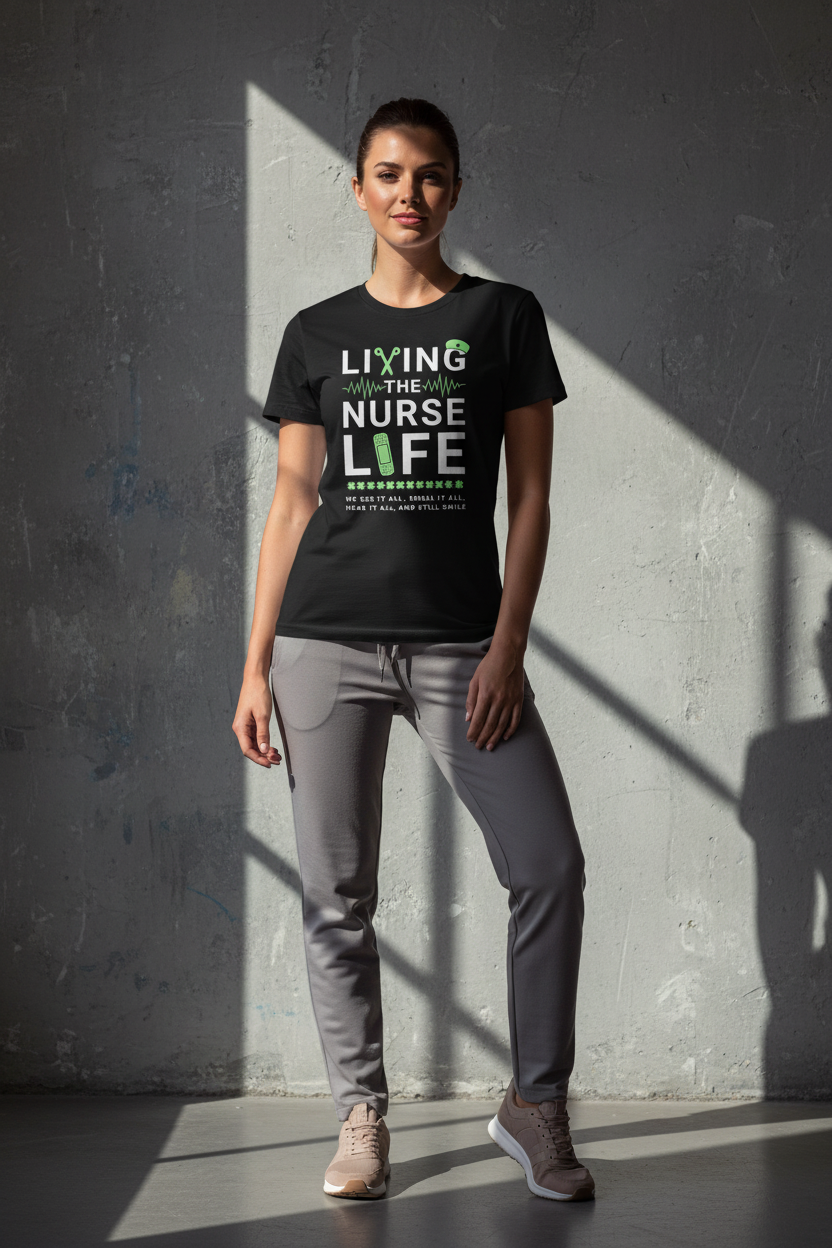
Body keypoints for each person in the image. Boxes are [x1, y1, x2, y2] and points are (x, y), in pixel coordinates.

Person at [232, 97, 594, 1203]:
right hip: (321, 641)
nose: (408, 193)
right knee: (335, 890)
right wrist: (252, 665)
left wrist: (507, 644)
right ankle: (362, 1114)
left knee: (547, 866)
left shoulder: (503, 318)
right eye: (387, 175)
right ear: (357, 191)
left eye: (429, 175)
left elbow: (529, 498)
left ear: (455, 189)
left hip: (459, 647)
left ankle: (535, 1106)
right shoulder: (315, 332)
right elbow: (293, 501)